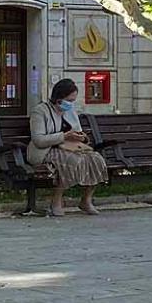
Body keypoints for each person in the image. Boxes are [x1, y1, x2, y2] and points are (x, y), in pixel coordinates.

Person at [28, 79, 109, 216]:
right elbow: (38, 140)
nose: (70, 104)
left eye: (73, 100)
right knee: (71, 161)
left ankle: (86, 200)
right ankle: (57, 201)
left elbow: (77, 132)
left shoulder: (70, 111)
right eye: (68, 100)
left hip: (70, 147)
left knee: (96, 159)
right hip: (47, 150)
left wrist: (80, 137)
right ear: (58, 98)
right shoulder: (40, 111)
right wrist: (64, 136)